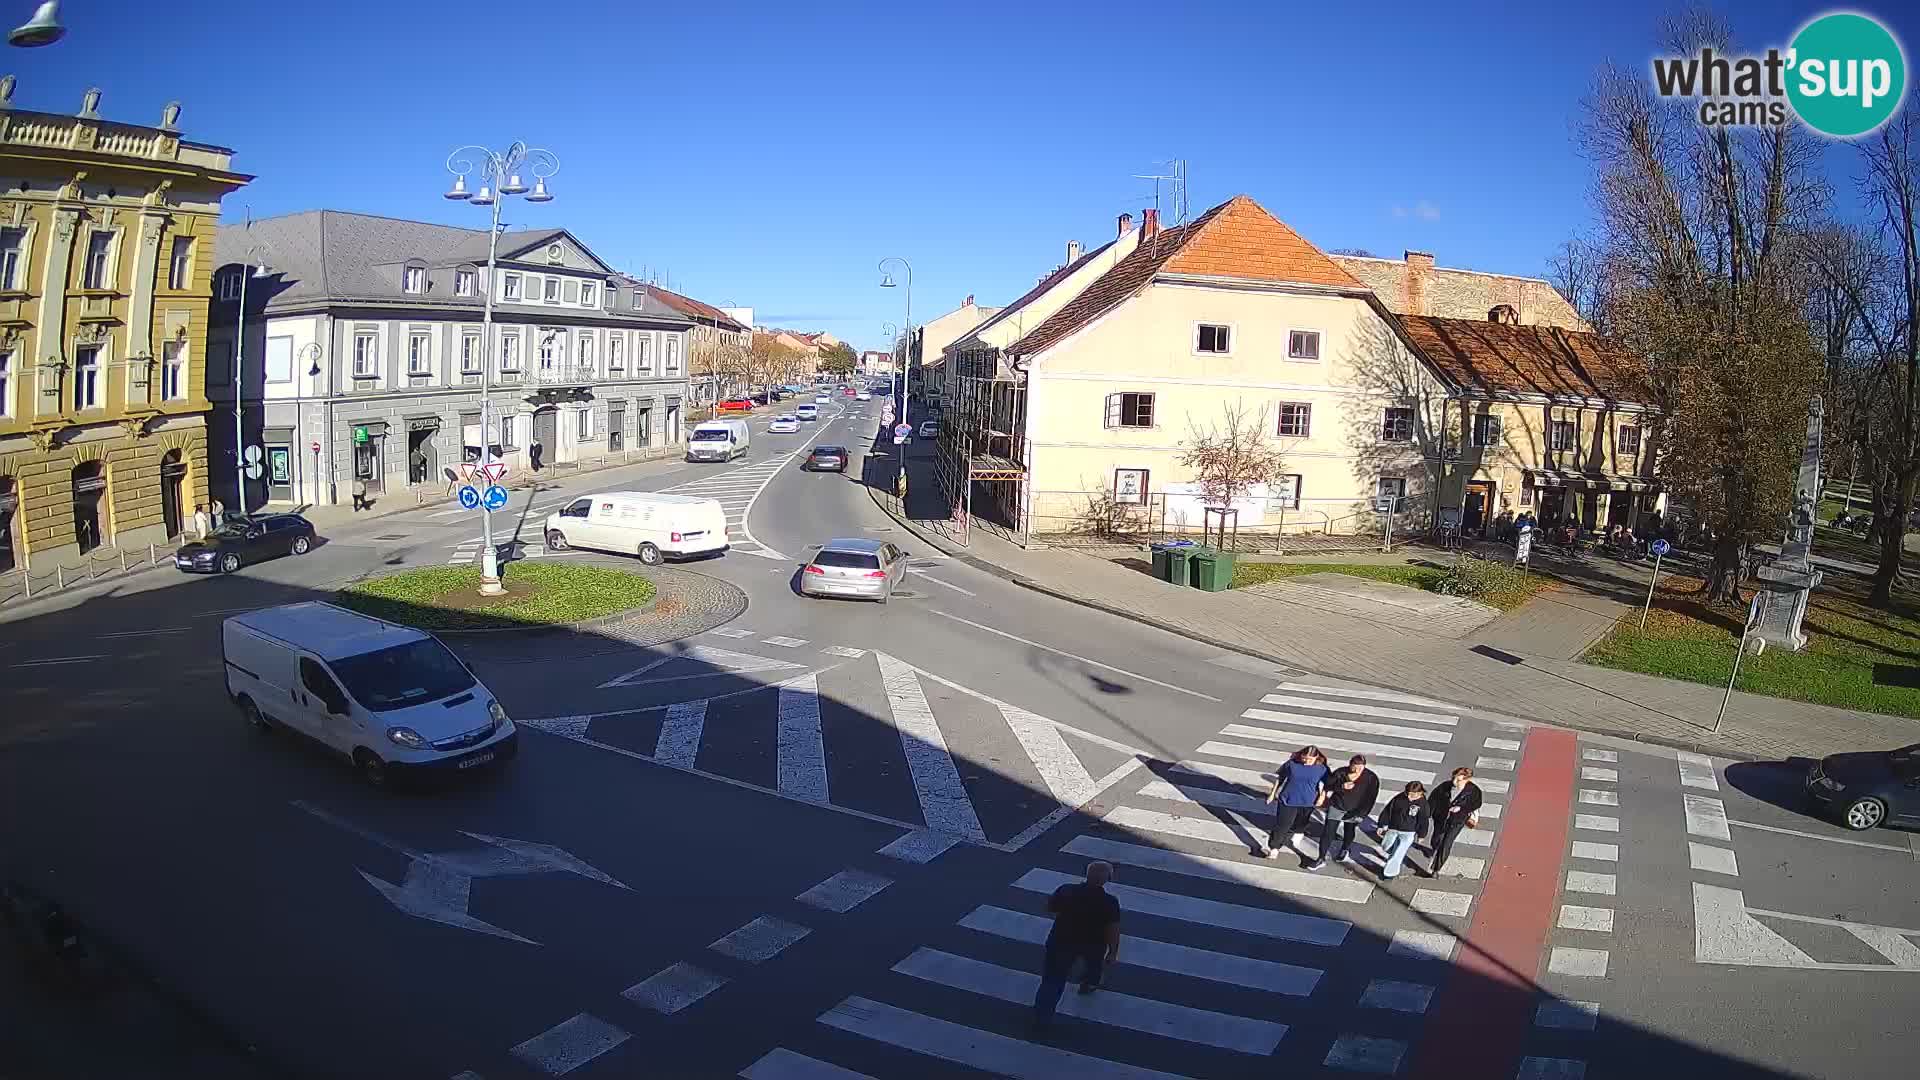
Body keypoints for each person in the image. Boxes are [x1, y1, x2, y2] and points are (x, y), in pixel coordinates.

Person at [1031, 860, 1120, 1033]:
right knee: (1094, 966)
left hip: (1061, 940)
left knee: (1052, 980)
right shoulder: (1109, 902)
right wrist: (1113, 952)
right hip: (1093, 943)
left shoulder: (1066, 890)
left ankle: (1042, 1016)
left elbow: (1050, 908)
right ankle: (1088, 984)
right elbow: (1113, 929)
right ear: (1107, 879)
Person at [1258, 746, 1328, 862]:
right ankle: (1274, 848)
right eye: (1304, 758)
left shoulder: (1321, 769)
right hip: (1288, 799)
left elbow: (1327, 783)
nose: (1306, 761)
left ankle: (1299, 831)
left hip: (1308, 801)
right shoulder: (1292, 764)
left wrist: (1322, 796)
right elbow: (1280, 778)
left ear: (1316, 757)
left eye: (1310, 759)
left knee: (1301, 822)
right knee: (1282, 825)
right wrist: (1272, 793)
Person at [1310, 754, 1379, 870]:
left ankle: (1345, 849)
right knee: (1328, 832)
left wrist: (1362, 814)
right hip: (1337, 806)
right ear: (1350, 765)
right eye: (1355, 767)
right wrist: (1341, 786)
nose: (1357, 770)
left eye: (1361, 767)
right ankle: (1321, 858)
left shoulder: (1371, 778)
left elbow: (1371, 798)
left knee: (1349, 830)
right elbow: (1328, 785)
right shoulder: (1340, 773)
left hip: (1355, 810)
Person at [1425, 766, 1483, 876]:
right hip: (1441, 818)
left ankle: (1436, 869)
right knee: (1436, 839)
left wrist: (1462, 809)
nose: (1454, 782)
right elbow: (1433, 799)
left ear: (1467, 780)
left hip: (1457, 821)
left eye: (1458, 780)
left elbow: (1476, 803)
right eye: (1454, 778)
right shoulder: (1445, 786)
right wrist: (1428, 813)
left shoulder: (1473, 791)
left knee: (1447, 843)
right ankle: (1435, 849)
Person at [1377, 781, 1431, 879]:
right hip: (1393, 828)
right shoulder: (1399, 798)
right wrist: (1382, 824)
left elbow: (1423, 821)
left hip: (1408, 832)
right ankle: (1392, 857)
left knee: (1398, 853)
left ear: (1420, 793)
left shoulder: (1423, 804)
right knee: (1386, 846)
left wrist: (1421, 835)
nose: (1409, 797)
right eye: (1408, 794)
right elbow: (1388, 810)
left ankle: (1389, 873)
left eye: (1413, 795)